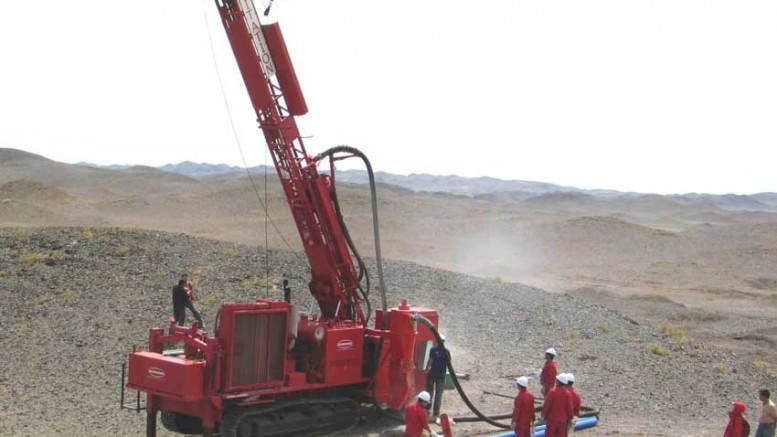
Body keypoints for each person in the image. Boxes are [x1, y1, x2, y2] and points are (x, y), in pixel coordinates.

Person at [426, 334, 450, 418]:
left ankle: (426, 409)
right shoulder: (446, 351)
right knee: (439, 394)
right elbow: (449, 364)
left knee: (429, 392)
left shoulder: (433, 349)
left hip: (432, 374)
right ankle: (436, 412)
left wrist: (426, 369)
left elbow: (430, 361)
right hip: (441, 375)